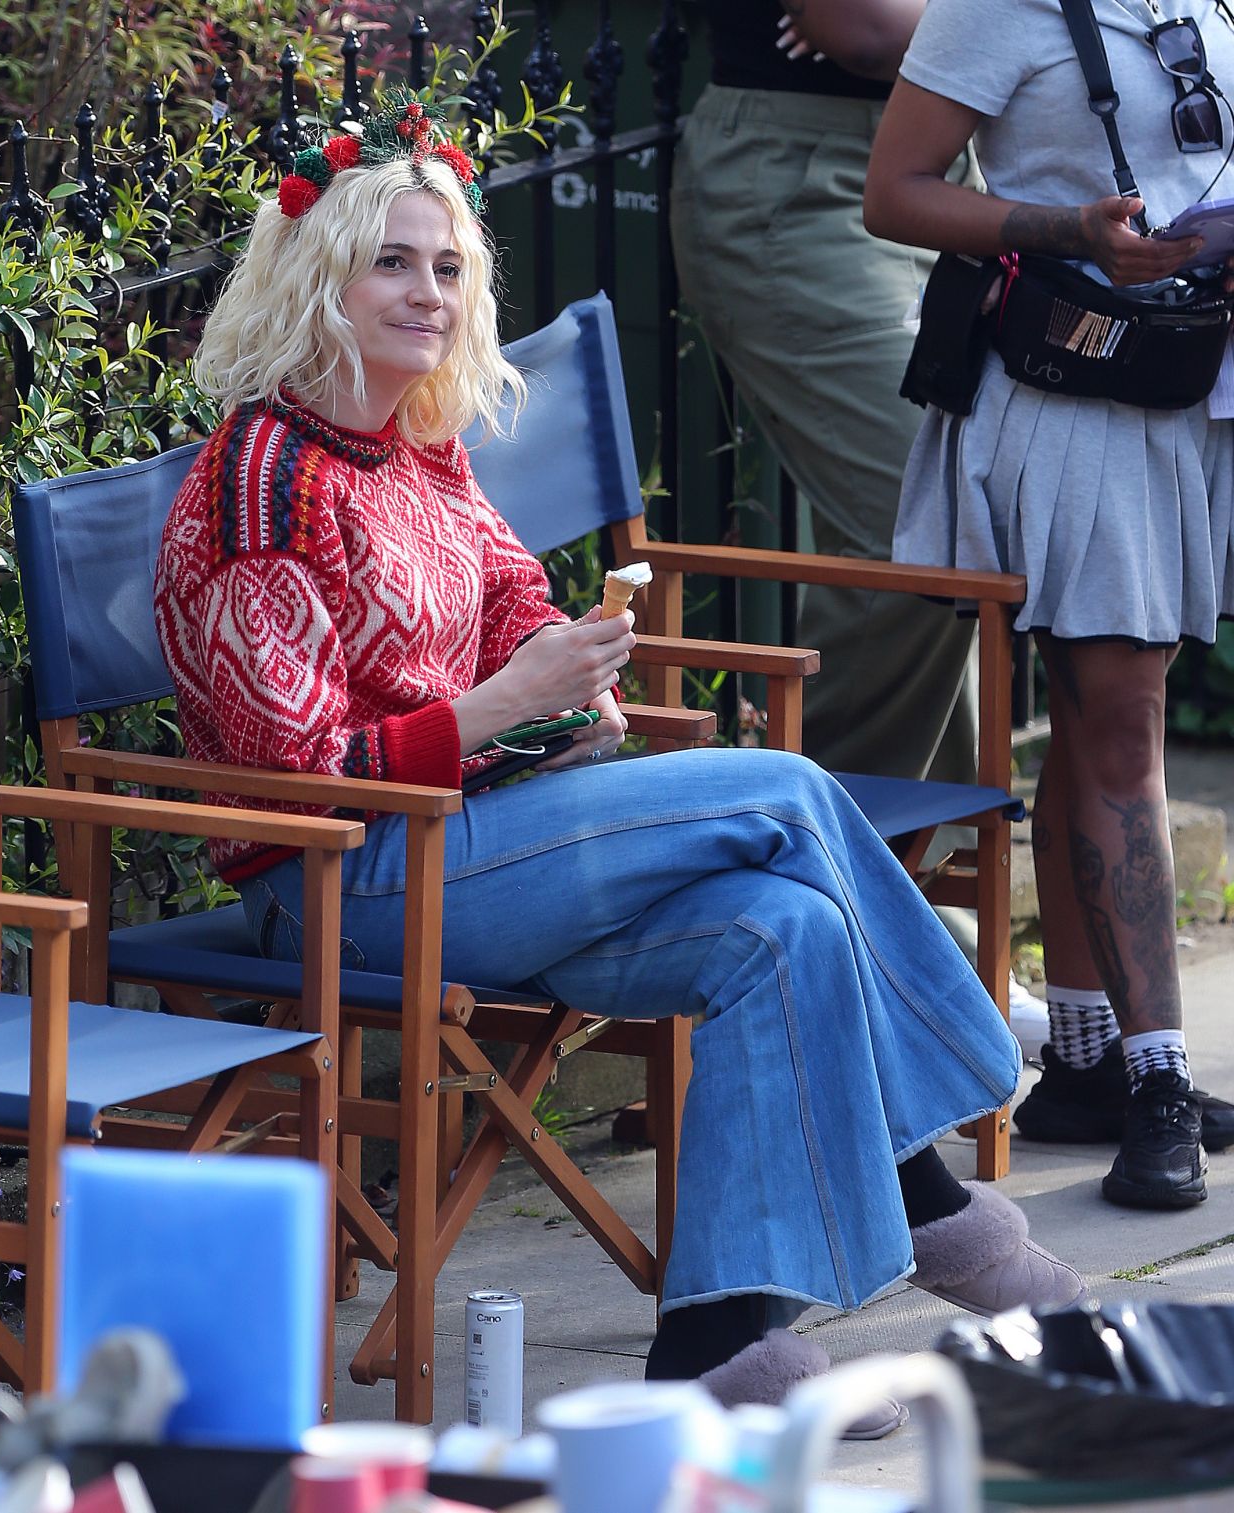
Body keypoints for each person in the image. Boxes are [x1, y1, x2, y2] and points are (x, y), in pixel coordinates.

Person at [153, 89, 1082, 1389]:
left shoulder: (415, 447)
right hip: (346, 882)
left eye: (449, 267)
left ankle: (713, 1344)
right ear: (319, 276)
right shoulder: (264, 477)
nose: (429, 293)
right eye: (393, 263)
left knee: (787, 927)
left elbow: (508, 596)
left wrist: (567, 664)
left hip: (485, 847)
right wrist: (494, 706)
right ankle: (932, 1189)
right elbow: (284, 773)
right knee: (795, 795)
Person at [864, 0, 1234, 1211]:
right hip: (1075, 389)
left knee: (1102, 716)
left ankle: (1083, 1063)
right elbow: (896, 193)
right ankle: (1160, 1083)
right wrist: (1067, 223)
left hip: (1190, 377)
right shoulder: (995, 8)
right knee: (1123, 723)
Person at [669, 0, 1054, 1061]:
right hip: (797, 184)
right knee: (924, 526)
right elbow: (867, 31)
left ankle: (898, 925)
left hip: (946, 165)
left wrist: (944, 24)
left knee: (963, 537)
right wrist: (963, 26)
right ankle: (823, 896)